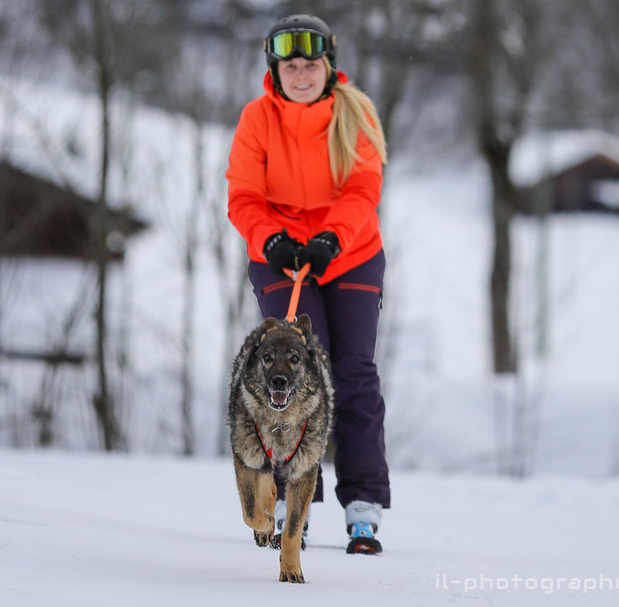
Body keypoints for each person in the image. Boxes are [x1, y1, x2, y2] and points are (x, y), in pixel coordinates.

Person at [225, 14, 389, 554]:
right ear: (276, 70)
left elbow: (363, 190)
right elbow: (243, 196)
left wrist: (331, 241)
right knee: (293, 370)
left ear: (327, 67)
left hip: (349, 252)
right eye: (290, 66)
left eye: (310, 65)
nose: (301, 75)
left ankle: (363, 505)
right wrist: (271, 239)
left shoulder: (354, 114)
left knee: (353, 370)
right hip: (280, 256)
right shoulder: (256, 119)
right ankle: (296, 499)